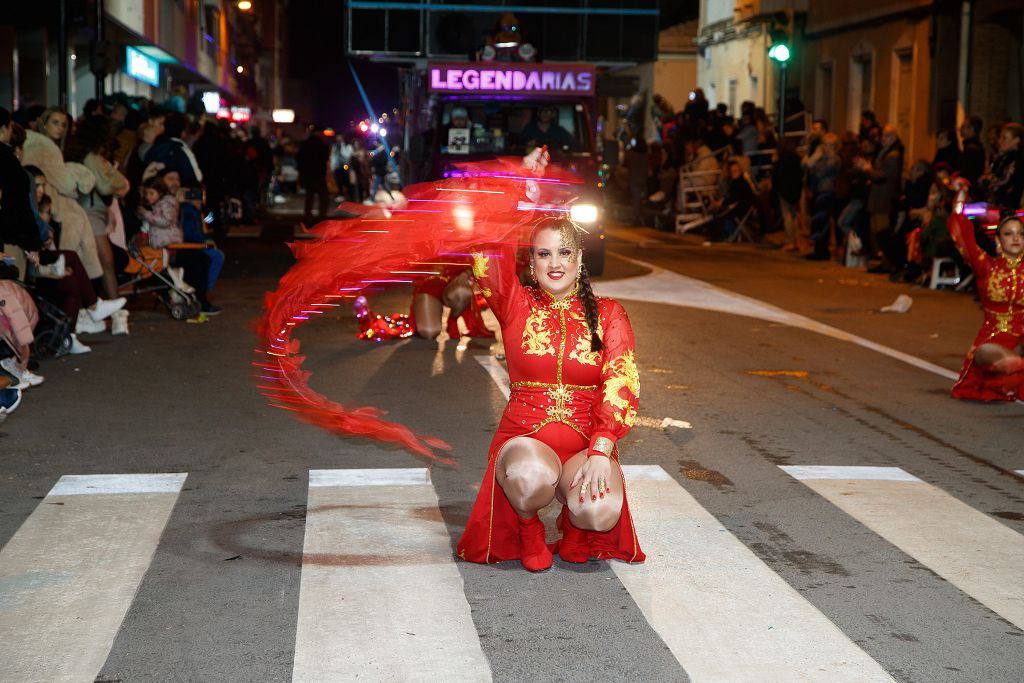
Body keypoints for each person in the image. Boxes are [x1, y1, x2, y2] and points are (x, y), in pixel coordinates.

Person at [457, 213, 645, 571]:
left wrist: (602, 449)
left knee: (599, 511)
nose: (555, 263)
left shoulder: (609, 314)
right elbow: (486, 251)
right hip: (525, 437)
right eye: (544, 254)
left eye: (564, 252)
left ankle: (576, 528)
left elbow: (621, 379)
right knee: (529, 477)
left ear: (579, 258)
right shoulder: (515, 304)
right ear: (530, 262)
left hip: (584, 443)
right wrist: (518, 195)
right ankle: (529, 528)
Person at [22, 108, 106, 285]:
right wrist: (74, 177)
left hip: (44, 205)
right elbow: (66, 185)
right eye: (55, 122)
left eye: (64, 125)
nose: (60, 128)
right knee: (68, 250)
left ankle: (87, 302)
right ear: (44, 123)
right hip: (46, 207)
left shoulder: (40, 145)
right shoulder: (44, 147)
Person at [947, 210, 1024, 400]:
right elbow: (962, 236)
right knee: (987, 352)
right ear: (998, 241)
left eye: (1021, 234)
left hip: (1022, 338)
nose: (1015, 238)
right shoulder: (986, 266)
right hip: (994, 337)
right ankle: (1012, 371)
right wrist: (960, 198)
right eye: (1008, 233)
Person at [802, 132, 840, 259]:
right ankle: (819, 249)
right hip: (819, 189)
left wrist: (813, 167)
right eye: (824, 144)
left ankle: (822, 251)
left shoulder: (833, 159)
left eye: (828, 145)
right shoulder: (825, 158)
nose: (825, 147)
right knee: (818, 221)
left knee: (822, 221)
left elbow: (817, 172)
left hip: (826, 191)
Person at [978, 122, 1024, 213]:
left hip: (1008, 209)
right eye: (1000, 137)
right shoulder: (1000, 158)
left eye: (1004, 138)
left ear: (1016, 140)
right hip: (993, 206)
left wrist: (989, 179)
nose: (1000, 141)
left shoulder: (1018, 161)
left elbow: (1004, 185)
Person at [772, 138, 804, 252]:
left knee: (787, 216)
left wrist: (774, 163)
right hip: (795, 190)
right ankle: (796, 240)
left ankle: (790, 240)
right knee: (794, 215)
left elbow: (777, 176)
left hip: (784, 190)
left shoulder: (782, 161)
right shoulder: (797, 159)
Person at [297, 126, 329, 222]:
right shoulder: (321, 144)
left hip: (308, 173)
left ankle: (308, 214)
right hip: (318, 173)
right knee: (323, 195)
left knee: (309, 195)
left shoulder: (305, 144)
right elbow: (325, 157)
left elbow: (300, 159)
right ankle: (321, 215)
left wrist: (301, 173)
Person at [959, 115, 986, 189]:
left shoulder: (972, 149)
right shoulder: (971, 146)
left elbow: (968, 173)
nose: (960, 128)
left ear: (971, 129)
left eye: (964, 126)